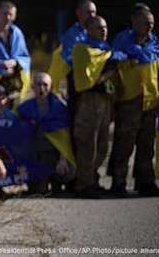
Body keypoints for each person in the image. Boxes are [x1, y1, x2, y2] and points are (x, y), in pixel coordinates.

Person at [110, 7, 159, 196]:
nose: (149, 26)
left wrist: (138, 55)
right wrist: (130, 56)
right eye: (145, 22)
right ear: (134, 22)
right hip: (128, 99)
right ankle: (118, 184)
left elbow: (158, 61)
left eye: (151, 23)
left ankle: (145, 183)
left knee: (147, 144)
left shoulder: (155, 41)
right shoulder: (123, 39)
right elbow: (114, 58)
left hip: (150, 101)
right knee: (124, 144)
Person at [70, 15, 116, 197]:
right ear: (88, 30)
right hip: (88, 101)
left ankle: (93, 179)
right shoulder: (82, 49)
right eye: (99, 28)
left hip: (105, 101)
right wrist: (107, 73)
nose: (104, 31)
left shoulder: (107, 49)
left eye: (105, 27)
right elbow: (84, 80)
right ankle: (83, 184)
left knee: (102, 144)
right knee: (87, 143)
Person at [16, 73, 76, 195]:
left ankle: (57, 181)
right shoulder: (24, 109)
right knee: (38, 191)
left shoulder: (59, 108)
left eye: (45, 85)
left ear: (51, 86)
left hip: (54, 154)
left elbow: (65, 136)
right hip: (34, 155)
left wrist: (63, 159)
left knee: (66, 176)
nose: (42, 88)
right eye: (38, 85)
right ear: (33, 87)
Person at [0, 1, 31, 101]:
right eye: (5, 14)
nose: (8, 17)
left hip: (15, 81)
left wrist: (15, 62)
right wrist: (0, 69)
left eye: (11, 15)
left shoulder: (17, 33)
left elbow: (25, 57)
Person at [48, 0, 97, 93]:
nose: (92, 16)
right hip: (77, 81)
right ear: (79, 13)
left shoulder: (99, 32)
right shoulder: (71, 35)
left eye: (94, 12)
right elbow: (69, 58)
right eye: (88, 12)